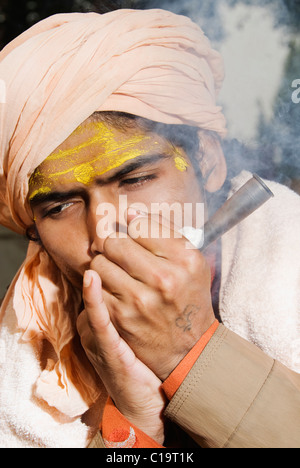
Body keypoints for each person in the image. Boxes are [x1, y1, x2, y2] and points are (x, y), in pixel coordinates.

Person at [0, 9, 299, 449]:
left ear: (210, 163)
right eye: (61, 206)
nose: (104, 231)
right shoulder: (30, 339)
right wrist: (133, 422)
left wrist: (188, 353)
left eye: (135, 180)